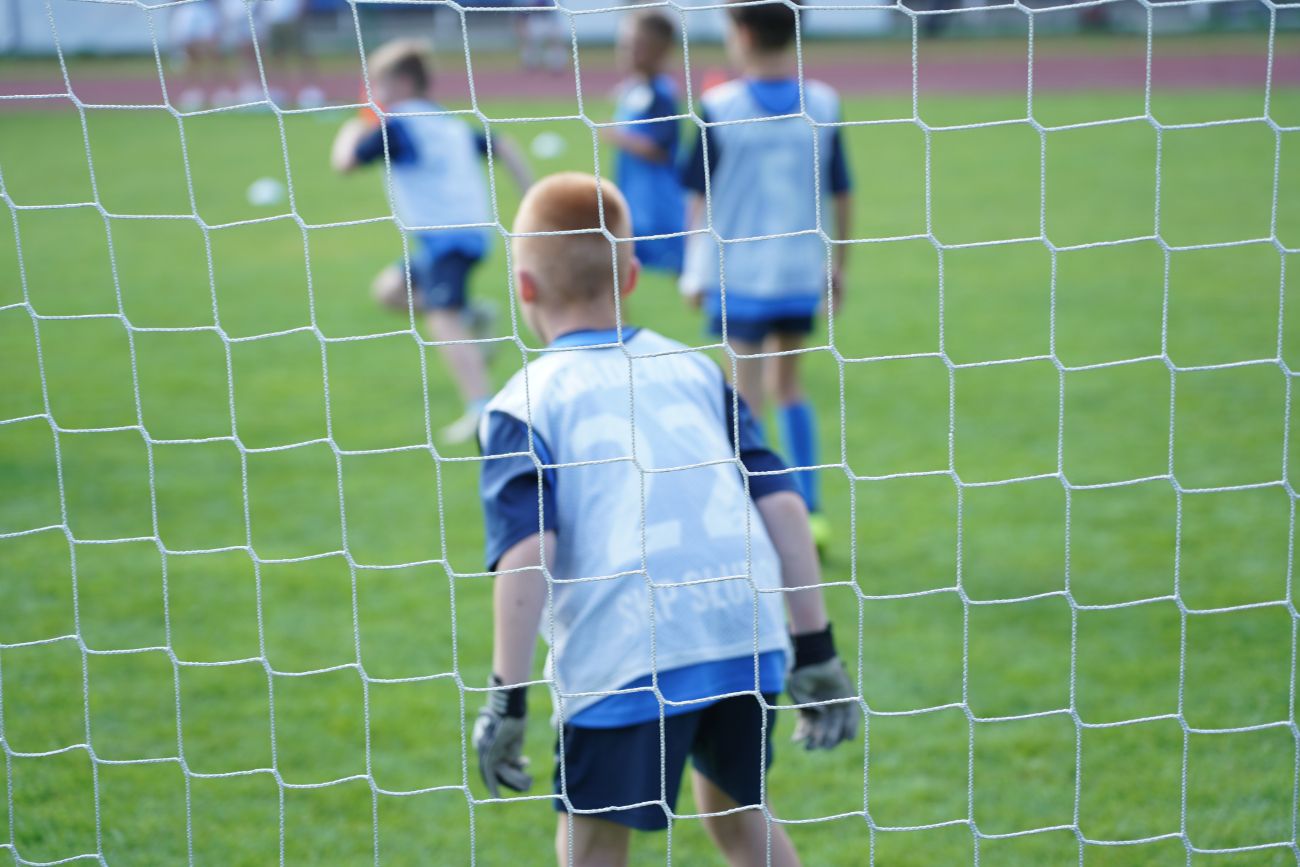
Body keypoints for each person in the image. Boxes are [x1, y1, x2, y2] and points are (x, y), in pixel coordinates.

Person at [472, 172, 856, 867]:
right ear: (632, 275)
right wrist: (817, 644)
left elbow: (529, 549)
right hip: (742, 628)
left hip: (627, 646)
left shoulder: (524, 403)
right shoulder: (698, 370)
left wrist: (507, 695)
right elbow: (784, 502)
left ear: (523, 287)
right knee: (739, 813)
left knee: (591, 842)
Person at [679, 0, 853, 547]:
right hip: (800, 270)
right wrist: (838, 265)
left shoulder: (717, 105)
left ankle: (750, 513)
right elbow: (842, 191)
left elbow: (696, 196)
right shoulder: (824, 102)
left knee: (745, 392)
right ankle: (812, 513)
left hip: (740, 274)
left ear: (744, 32)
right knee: (789, 384)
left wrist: (693, 268)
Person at [330, 39, 532, 445]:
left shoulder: (398, 125)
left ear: (403, 82)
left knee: (441, 318)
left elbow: (344, 164)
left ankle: (481, 410)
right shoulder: (444, 121)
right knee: (389, 292)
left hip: (448, 238)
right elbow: (504, 144)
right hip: (458, 235)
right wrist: (531, 193)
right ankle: (473, 318)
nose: (373, 94)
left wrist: (355, 124)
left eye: (378, 84)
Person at [600, 10, 684, 275]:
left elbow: (660, 149)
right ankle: (618, 319)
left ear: (659, 49)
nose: (625, 51)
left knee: (675, 270)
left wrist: (616, 135)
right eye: (623, 44)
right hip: (632, 199)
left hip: (657, 206)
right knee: (617, 269)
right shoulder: (634, 89)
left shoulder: (662, 94)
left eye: (635, 45)